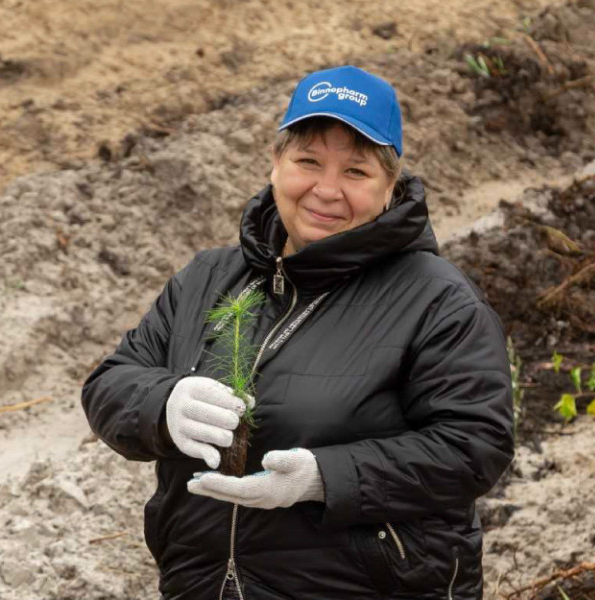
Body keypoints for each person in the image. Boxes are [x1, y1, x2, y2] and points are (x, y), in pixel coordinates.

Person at [81, 65, 514, 600]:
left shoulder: (437, 300)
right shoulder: (209, 278)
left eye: (356, 172)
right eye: (307, 161)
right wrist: (163, 404)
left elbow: (475, 445)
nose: (326, 190)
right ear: (276, 163)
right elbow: (110, 381)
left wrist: (327, 478)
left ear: (389, 188)